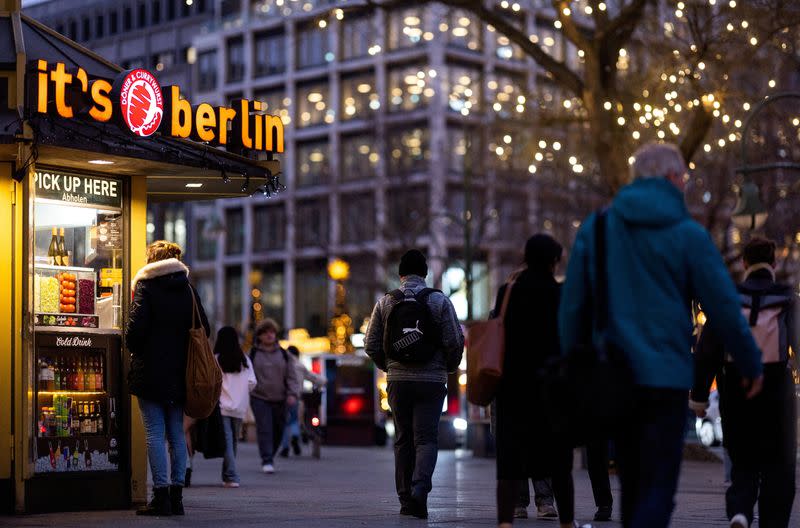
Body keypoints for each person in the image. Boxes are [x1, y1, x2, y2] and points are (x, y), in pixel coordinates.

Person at [559, 142, 764, 528]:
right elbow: (722, 306)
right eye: (683, 177)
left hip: (614, 375)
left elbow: (572, 308)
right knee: (659, 486)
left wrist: (573, 363)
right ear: (671, 178)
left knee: (632, 484)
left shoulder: (598, 229)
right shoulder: (688, 235)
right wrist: (749, 361)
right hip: (666, 376)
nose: (685, 184)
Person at [691, 236, 798, 528]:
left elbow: (707, 351)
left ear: (744, 263)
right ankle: (772, 521)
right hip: (777, 387)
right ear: (774, 263)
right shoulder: (786, 298)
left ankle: (740, 511)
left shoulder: (728, 298)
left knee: (743, 461)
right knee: (779, 465)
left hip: (735, 387)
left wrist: (699, 397)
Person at [365, 249, 464, 519]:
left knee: (403, 439)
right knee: (426, 439)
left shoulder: (386, 301)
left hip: (399, 380)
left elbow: (371, 344)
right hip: (432, 381)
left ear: (401, 275)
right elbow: (455, 340)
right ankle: (420, 489)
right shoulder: (439, 300)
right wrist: (448, 367)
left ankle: (405, 498)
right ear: (425, 273)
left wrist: (390, 367)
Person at [494, 235, 580, 528]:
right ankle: (566, 521)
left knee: (509, 462)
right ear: (553, 261)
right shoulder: (561, 295)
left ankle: (505, 521)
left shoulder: (507, 291)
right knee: (559, 461)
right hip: (551, 388)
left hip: (512, 387)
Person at [127, 240, 210, 516]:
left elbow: (135, 331)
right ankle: (177, 498)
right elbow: (204, 328)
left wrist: (139, 349)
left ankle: (159, 496)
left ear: (152, 260)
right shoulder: (188, 289)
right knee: (176, 432)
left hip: (150, 371)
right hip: (180, 372)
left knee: (153, 432)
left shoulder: (146, 287)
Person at [249, 318, 300, 474]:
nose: (269, 335)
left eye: (272, 332)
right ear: (259, 336)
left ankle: (271, 453)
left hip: (281, 398)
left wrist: (292, 394)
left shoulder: (284, 355)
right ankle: (267, 459)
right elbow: (247, 375)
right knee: (265, 428)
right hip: (259, 398)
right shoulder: (253, 354)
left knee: (278, 429)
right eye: (265, 332)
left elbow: (292, 376)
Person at [216, 326, 257, 488]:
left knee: (227, 440)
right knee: (233, 441)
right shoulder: (245, 360)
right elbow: (252, 382)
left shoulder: (216, 358)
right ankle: (227, 475)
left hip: (222, 406)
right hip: (240, 407)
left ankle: (231, 475)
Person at [278, 345, 327, 458]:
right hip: (296, 397)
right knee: (294, 420)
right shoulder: (300, 366)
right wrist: (323, 381)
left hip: (282, 397)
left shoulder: (282, 364)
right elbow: (313, 377)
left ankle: (285, 447)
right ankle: (295, 435)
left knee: (285, 421)